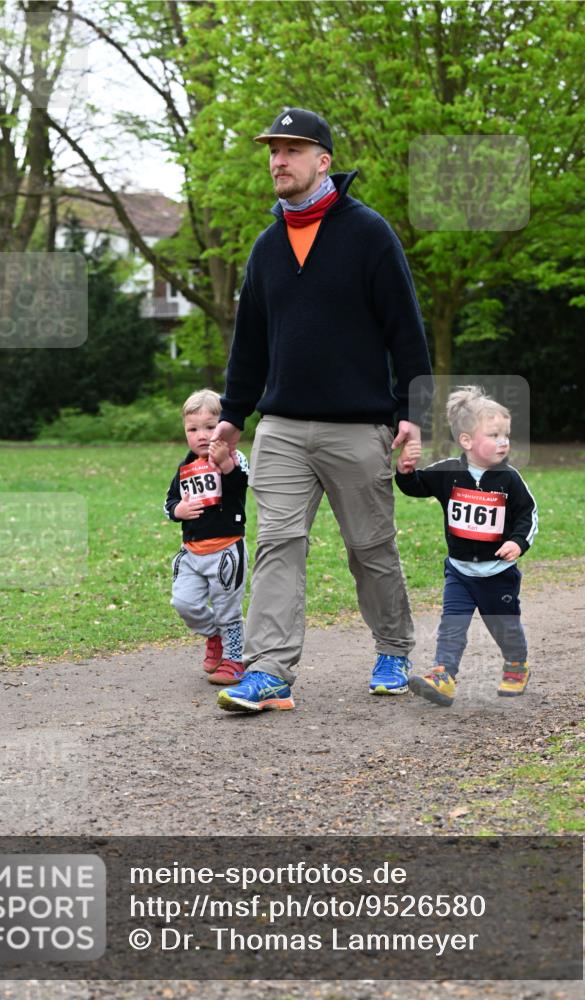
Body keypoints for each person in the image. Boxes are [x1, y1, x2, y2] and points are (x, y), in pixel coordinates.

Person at [211, 107, 433, 713]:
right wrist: (234, 414)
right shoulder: (266, 247)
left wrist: (413, 409)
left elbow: (405, 330)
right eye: (273, 151)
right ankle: (269, 671)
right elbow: (249, 344)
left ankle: (393, 648)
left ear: (322, 161)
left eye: (291, 150)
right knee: (277, 544)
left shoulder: (368, 234)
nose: (278, 161)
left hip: (358, 426)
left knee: (370, 547)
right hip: (280, 429)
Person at [395, 385, 538, 707]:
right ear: (467, 441)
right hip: (459, 571)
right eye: (494, 435)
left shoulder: (510, 479)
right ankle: (443, 676)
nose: (503, 441)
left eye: (506, 435)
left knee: (505, 626)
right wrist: (404, 472)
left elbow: (528, 515)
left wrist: (517, 543)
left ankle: (516, 664)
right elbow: (416, 486)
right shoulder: (448, 471)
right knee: (452, 625)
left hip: (497, 573)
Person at [164, 389, 249, 685]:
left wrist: (226, 464)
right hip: (191, 552)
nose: (202, 435)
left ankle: (234, 659)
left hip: (226, 550)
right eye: (193, 429)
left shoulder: (235, 458)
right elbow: (169, 502)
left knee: (228, 610)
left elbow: (242, 486)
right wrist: (179, 510)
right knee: (183, 602)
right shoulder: (185, 466)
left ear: (224, 426)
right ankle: (214, 635)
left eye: (210, 427)